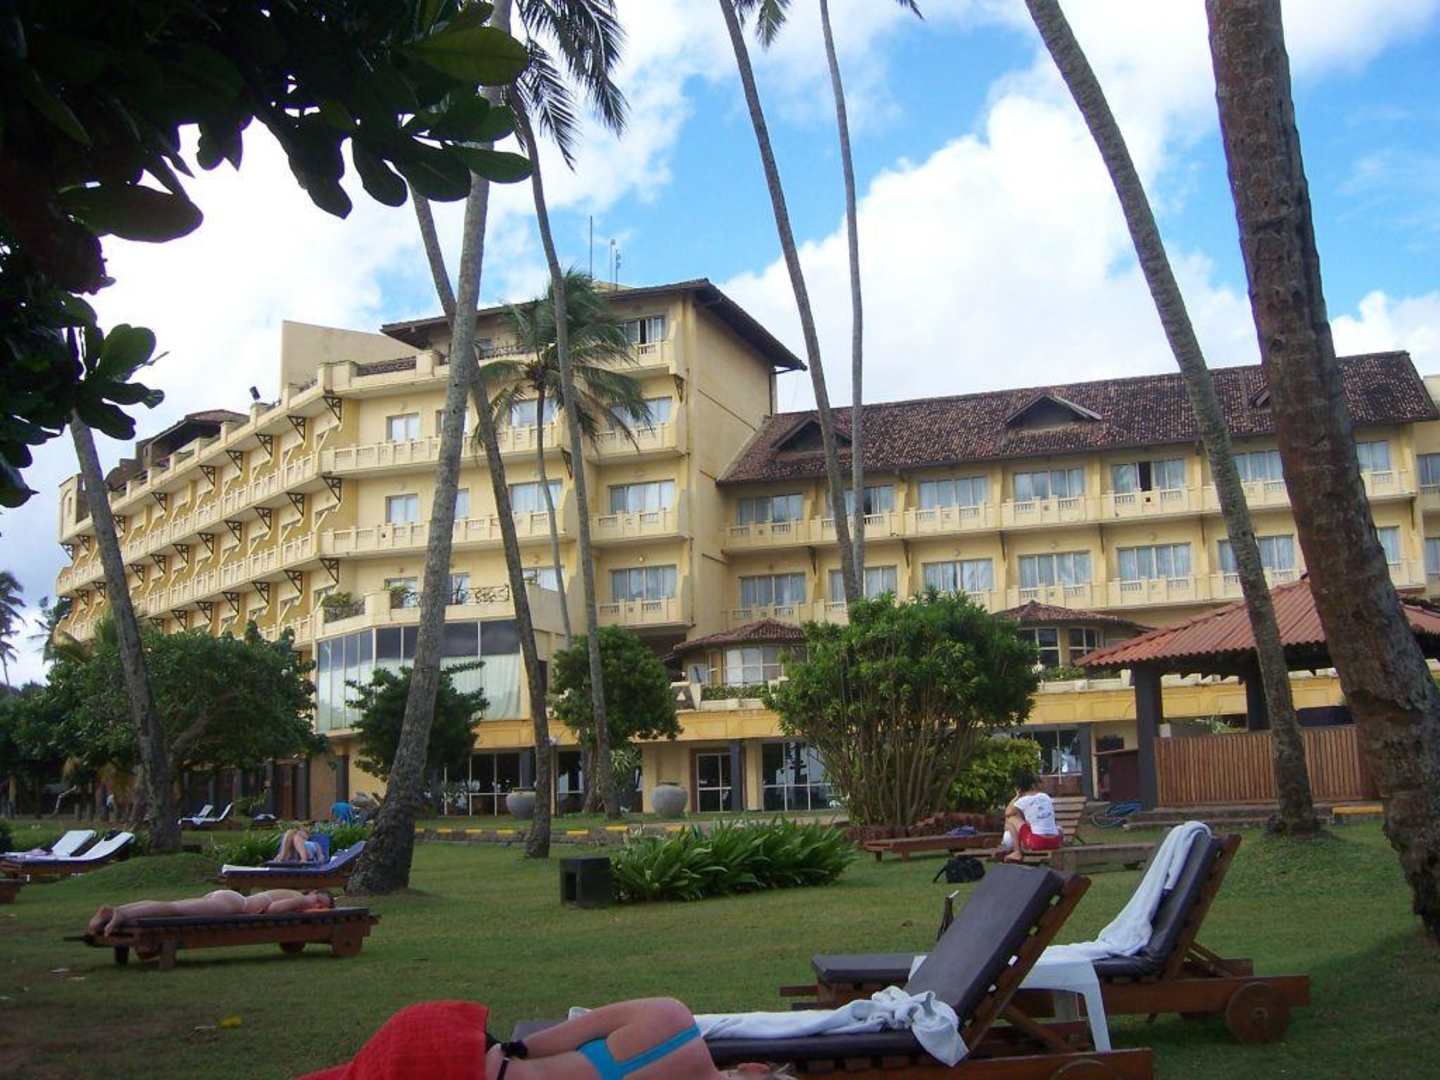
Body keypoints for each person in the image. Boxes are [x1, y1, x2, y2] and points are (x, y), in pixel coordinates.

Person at [300, 998, 785, 1080]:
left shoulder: (670, 1019)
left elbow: (549, 1040)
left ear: (754, 1067)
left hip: (452, 1051)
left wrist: (511, 1054)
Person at [87, 888, 333, 937]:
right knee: (175, 909)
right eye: (319, 901)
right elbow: (273, 910)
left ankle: (117, 912)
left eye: (323, 908)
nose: (317, 907)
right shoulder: (298, 897)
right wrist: (305, 902)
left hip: (230, 900)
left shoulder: (295, 897)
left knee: (174, 906)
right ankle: (121, 914)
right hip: (234, 904)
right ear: (312, 892)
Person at [1000, 770, 1062, 863]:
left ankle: (1017, 852)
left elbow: (1007, 813)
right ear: (1033, 785)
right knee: (1057, 826)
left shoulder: (1023, 801)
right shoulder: (1045, 796)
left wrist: (1017, 796)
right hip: (1055, 841)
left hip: (1037, 842)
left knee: (1011, 819)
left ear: (1020, 789)